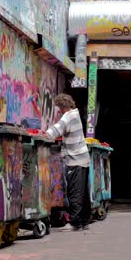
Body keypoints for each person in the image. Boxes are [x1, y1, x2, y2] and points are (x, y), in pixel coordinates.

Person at [46, 93, 91, 231]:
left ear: (61, 106)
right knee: (83, 192)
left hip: (75, 159)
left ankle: (76, 222)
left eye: (59, 107)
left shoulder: (68, 116)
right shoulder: (75, 114)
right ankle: (84, 220)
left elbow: (57, 129)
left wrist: (44, 134)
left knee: (74, 191)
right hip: (83, 158)